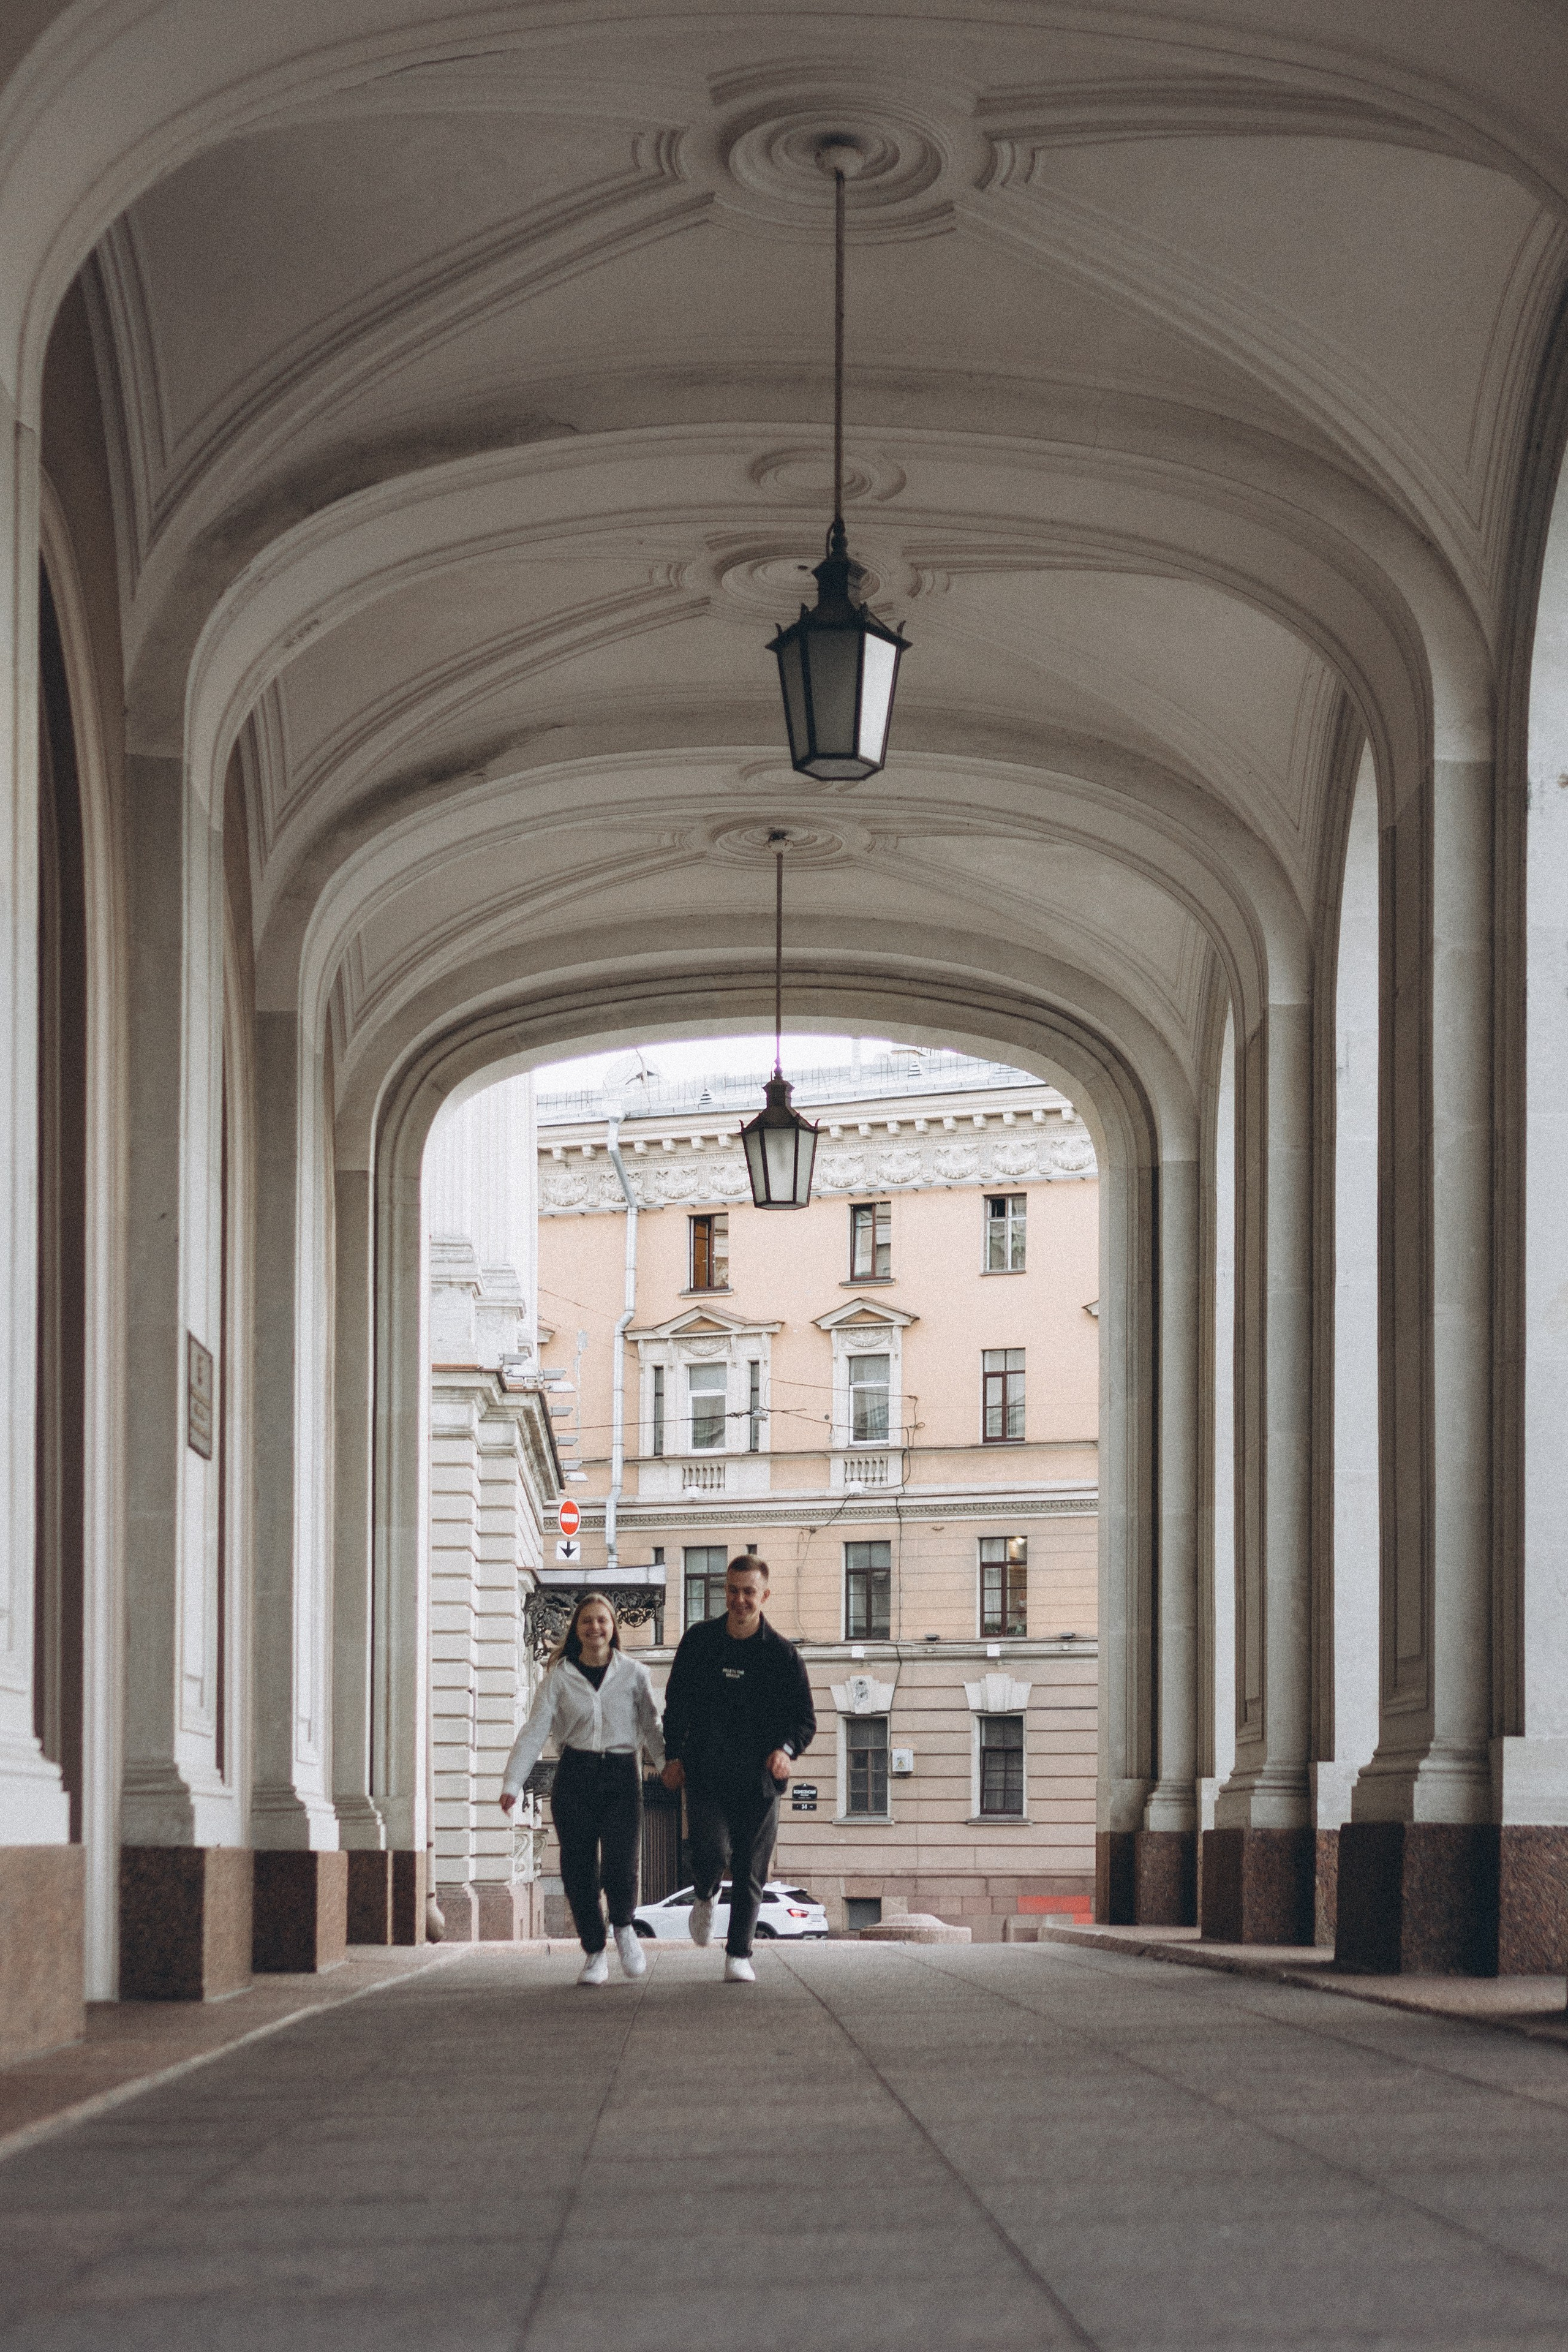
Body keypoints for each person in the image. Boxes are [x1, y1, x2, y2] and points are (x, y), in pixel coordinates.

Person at [661, 1555, 816, 1983]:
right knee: (710, 1850)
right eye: (733, 1590)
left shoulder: (783, 1656)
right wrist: (673, 1756)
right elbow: (676, 1707)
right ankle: (706, 1892)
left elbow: (805, 1720)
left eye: (749, 1592)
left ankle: (738, 1955)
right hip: (708, 1773)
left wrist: (786, 1750)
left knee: (751, 1868)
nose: (740, 1599)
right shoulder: (699, 1642)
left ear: (765, 1596)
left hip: (759, 1782)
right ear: (724, 1592)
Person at [500, 1592, 664, 1986]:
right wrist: (513, 1781)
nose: (595, 1627)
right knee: (577, 1869)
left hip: (622, 1774)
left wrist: (667, 1765)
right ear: (577, 1628)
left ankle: (624, 1928)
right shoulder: (559, 1676)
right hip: (575, 1774)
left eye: (602, 1620)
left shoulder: (634, 1674)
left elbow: (652, 1727)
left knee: (622, 1862)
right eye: (587, 1621)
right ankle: (594, 1951)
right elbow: (535, 1729)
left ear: (613, 1627)